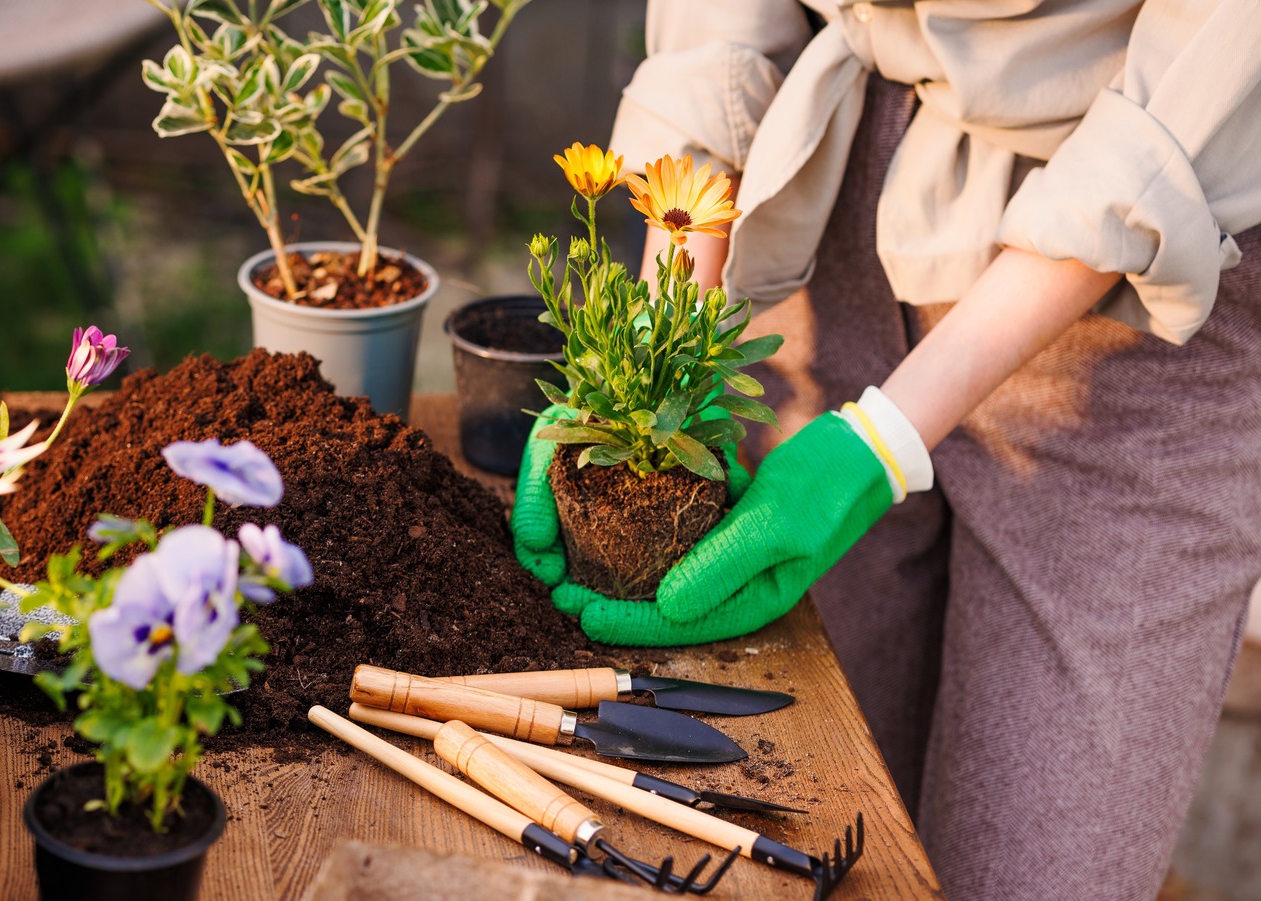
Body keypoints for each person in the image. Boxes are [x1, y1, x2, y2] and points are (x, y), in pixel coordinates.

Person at [509, 2, 1261, 898]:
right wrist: (659, 327)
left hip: (1134, 310)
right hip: (828, 212)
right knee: (810, 831)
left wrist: (880, 440)